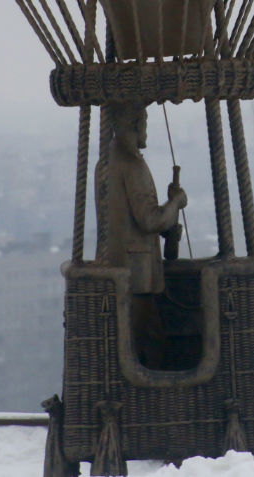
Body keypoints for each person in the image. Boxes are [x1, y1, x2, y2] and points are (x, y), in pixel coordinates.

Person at [104, 101, 187, 367]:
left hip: (116, 266)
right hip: (137, 276)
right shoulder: (133, 165)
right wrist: (176, 203)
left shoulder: (107, 162)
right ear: (138, 123)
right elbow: (150, 220)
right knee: (149, 341)